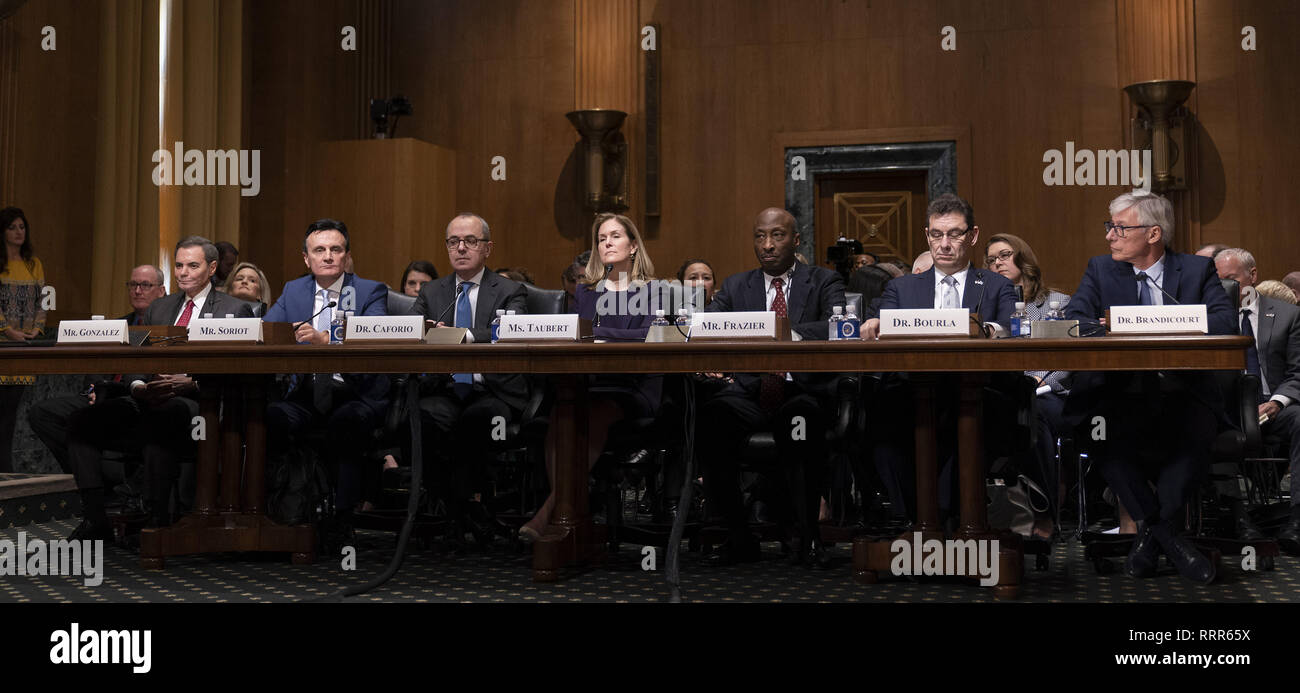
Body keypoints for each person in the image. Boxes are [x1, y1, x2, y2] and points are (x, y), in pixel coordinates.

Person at [1064, 190, 1233, 584]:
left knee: (1196, 431)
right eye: (1110, 227)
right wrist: (1112, 324)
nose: (1110, 236)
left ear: (1154, 233)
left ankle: (1152, 538)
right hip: (1117, 393)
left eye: (1120, 228)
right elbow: (1076, 320)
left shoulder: (1194, 271)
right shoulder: (1100, 270)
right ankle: (1168, 538)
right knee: (1098, 431)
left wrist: (1158, 322)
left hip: (1183, 390)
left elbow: (1224, 323)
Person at [66, 236, 254, 540]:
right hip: (150, 397)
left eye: (193, 265)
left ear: (212, 268)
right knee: (81, 421)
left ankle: (156, 519)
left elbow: (239, 371)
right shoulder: (159, 308)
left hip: (200, 403)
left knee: (164, 414)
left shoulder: (234, 309)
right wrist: (139, 386)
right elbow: (137, 358)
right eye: (179, 265)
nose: (183, 272)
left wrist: (191, 382)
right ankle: (95, 517)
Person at [694, 207, 846, 567]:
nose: (767, 245)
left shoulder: (825, 281)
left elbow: (838, 326)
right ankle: (739, 536)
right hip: (751, 391)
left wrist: (784, 333)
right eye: (760, 237)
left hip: (800, 391)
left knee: (802, 424)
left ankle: (808, 537)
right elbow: (708, 328)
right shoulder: (734, 286)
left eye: (777, 236)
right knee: (712, 417)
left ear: (795, 240)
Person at [861, 194, 1017, 524]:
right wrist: (876, 323)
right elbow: (883, 325)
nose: (944, 244)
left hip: (976, 391)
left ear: (972, 236)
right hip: (911, 390)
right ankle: (915, 521)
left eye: (954, 234)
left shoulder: (996, 285)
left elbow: (1009, 331)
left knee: (958, 412)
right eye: (936, 234)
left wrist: (983, 329)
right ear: (927, 234)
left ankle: (944, 520)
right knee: (881, 415)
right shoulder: (902, 289)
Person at [520, 213, 661, 541]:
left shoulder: (655, 290)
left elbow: (648, 336)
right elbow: (571, 335)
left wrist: (596, 333)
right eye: (601, 238)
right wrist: (599, 334)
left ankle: (551, 514)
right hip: (591, 382)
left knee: (595, 412)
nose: (607, 243)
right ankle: (569, 513)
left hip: (634, 387)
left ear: (634, 246)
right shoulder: (587, 292)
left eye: (615, 236)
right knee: (562, 412)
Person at [263, 219, 389, 536]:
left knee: (344, 424)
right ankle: (281, 510)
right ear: (307, 259)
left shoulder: (369, 291)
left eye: (336, 249)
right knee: (270, 417)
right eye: (319, 250)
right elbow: (266, 332)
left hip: (354, 391)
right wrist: (285, 336)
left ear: (346, 255)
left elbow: (372, 340)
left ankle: (341, 519)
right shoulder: (294, 290)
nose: (328, 256)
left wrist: (327, 342)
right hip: (305, 391)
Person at [409, 213, 528, 543]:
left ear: (487, 248)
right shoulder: (432, 292)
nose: (461, 248)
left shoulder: (509, 290)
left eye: (471, 241)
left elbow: (509, 332)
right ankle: (455, 509)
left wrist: (463, 335)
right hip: (445, 388)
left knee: (479, 421)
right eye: (453, 241)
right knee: (425, 416)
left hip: (493, 389)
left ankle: (463, 507)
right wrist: (428, 334)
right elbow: (411, 333)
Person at [29, 268, 162, 477]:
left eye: (145, 285)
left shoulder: (165, 329)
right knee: (42, 413)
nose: (137, 291)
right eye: (132, 285)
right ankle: (85, 475)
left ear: (161, 291)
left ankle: (95, 478)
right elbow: (97, 366)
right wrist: (92, 389)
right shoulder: (117, 324)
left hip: (135, 400)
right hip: (100, 396)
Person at [986, 232, 1072, 537]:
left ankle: (1044, 512)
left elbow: (1067, 361)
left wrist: (1037, 381)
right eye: (992, 259)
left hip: (1048, 392)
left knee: (1032, 414)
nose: (998, 263)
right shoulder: (987, 307)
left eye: (1005, 255)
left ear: (1024, 258)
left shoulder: (1056, 302)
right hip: (1005, 390)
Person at [1215, 248, 1300, 554]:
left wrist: (1277, 402)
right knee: (1202, 424)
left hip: (1273, 405)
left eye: (1231, 279)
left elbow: (1297, 370)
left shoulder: (1288, 315)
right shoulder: (1209, 319)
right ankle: (1238, 519)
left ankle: (1296, 521)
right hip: (1228, 408)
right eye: (1217, 280)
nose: (1223, 287)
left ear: (1252, 277)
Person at [0, 207, 45, 473]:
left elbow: (43, 299)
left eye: (22, 227)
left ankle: (7, 471)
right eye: (12, 227)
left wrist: (37, 329)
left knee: (10, 413)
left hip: (23, 347)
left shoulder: (33, 263)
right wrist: (7, 330)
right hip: (3, 344)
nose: (19, 232)